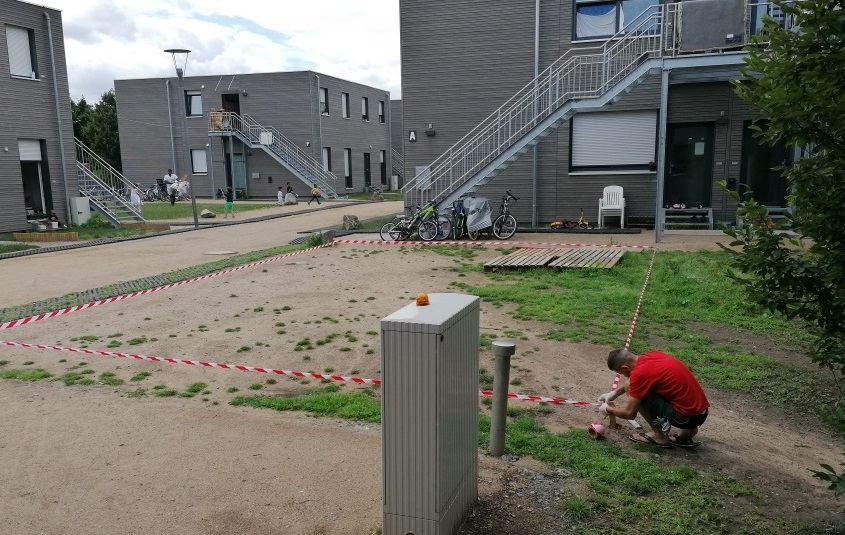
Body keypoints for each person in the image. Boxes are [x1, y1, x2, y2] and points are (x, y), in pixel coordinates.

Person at [598, 348, 709, 448]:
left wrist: (608, 409)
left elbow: (629, 413)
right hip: (700, 413)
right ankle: (688, 432)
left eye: (620, 372)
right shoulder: (653, 355)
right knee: (634, 385)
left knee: (632, 389)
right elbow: (639, 381)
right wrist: (614, 394)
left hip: (686, 417)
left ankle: (659, 436)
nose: (622, 375)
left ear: (624, 367)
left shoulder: (639, 374)